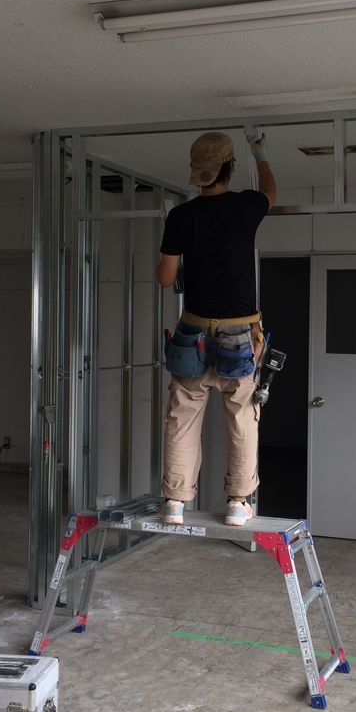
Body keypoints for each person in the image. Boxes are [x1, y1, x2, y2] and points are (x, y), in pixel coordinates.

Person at [156, 131, 276, 527]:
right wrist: (261, 154)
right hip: (239, 335)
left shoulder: (181, 216)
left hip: (191, 333)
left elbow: (165, 277)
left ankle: (174, 503)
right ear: (230, 167)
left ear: (196, 172)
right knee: (241, 417)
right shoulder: (246, 206)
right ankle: (237, 503)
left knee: (182, 418)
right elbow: (271, 193)